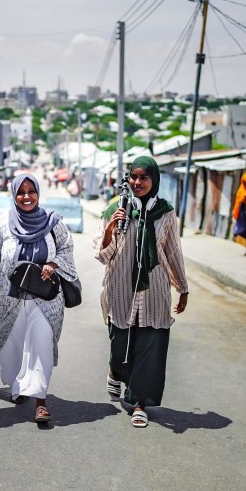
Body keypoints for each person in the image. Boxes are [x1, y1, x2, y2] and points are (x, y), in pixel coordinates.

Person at [0, 173, 77, 423]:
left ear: (38, 193)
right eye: (21, 192)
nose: (26, 196)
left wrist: (53, 263)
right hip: (9, 299)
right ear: (14, 194)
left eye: (31, 191)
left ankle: (40, 401)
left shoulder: (53, 223)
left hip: (47, 300)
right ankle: (18, 385)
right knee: (12, 349)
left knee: (41, 346)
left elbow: (67, 249)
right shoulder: (1, 224)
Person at [95, 156, 189, 429]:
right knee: (120, 345)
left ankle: (139, 403)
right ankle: (115, 371)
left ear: (153, 180)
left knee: (150, 348)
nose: (137, 182)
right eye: (133, 177)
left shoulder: (166, 213)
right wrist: (110, 229)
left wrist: (182, 287)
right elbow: (103, 255)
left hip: (155, 291)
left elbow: (172, 251)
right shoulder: (115, 208)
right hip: (121, 289)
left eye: (143, 177)